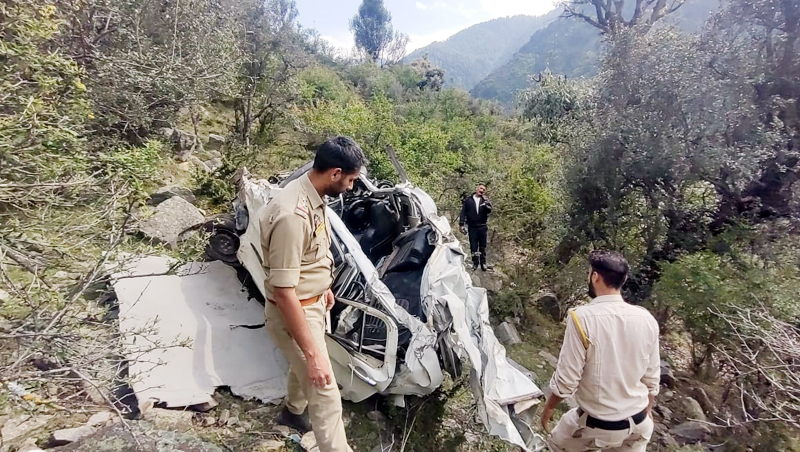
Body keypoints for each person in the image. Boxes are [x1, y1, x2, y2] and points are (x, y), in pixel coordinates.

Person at [259, 136, 365, 452]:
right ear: (334, 172)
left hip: (313, 304)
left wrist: (323, 288)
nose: (350, 187)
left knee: (302, 369)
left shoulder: (312, 195)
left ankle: (292, 412)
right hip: (294, 311)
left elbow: (310, 256)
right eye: (350, 179)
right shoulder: (292, 215)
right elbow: (284, 292)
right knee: (325, 392)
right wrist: (315, 354)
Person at [541, 251, 660, 452]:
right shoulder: (646, 318)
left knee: (554, 447)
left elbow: (567, 380)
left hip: (598, 424)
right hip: (639, 424)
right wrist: (646, 409)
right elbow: (652, 378)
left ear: (595, 277)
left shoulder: (582, 318)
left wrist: (550, 406)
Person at [458, 184, 492, 271]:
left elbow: (490, 210)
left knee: (482, 246)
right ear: (476, 188)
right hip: (472, 227)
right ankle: (475, 263)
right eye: (481, 188)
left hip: (482, 226)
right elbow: (463, 212)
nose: (482, 190)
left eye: (484, 189)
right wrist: (461, 224)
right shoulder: (468, 200)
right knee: (473, 246)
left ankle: (483, 263)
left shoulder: (485, 200)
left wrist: (486, 206)